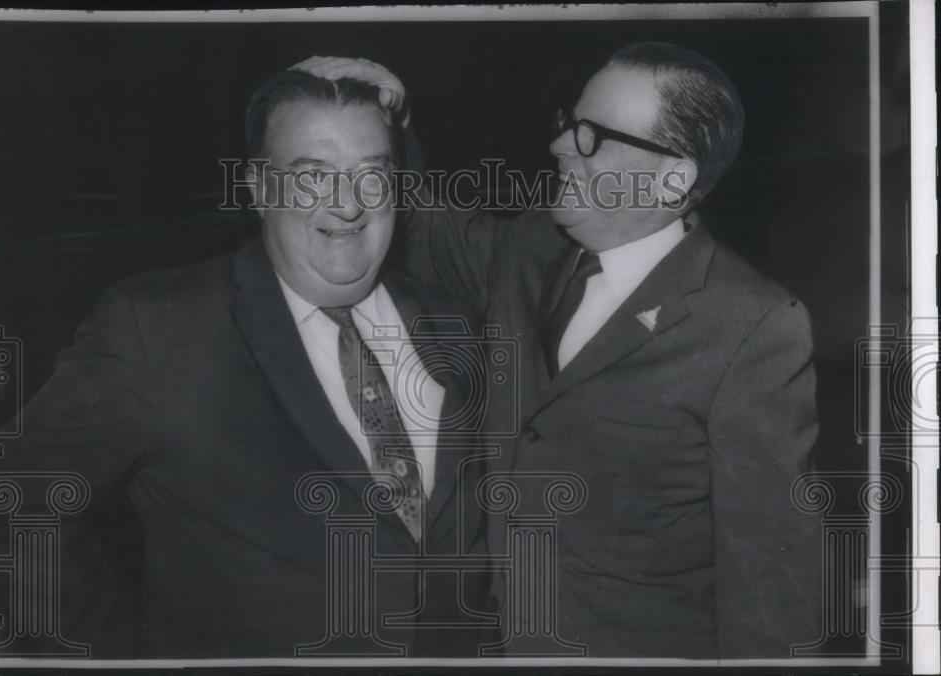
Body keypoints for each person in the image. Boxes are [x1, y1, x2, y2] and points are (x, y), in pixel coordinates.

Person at [296, 42, 823, 659]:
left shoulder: (752, 327)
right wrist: (393, 124)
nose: (560, 146)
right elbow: (417, 231)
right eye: (570, 124)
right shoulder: (531, 248)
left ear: (673, 178)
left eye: (594, 136)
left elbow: (770, 591)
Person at [0, 70, 491, 658]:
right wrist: (115, 654)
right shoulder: (159, 327)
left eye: (372, 174)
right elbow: (14, 506)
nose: (347, 204)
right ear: (259, 189)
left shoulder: (458, 324)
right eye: (311, 176)